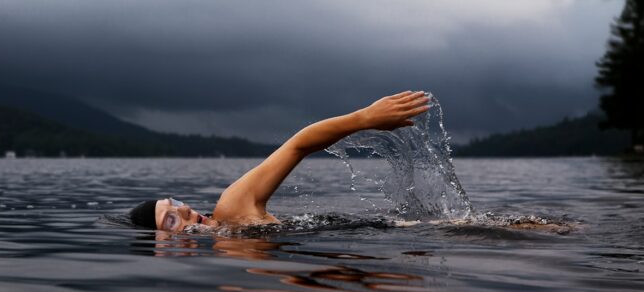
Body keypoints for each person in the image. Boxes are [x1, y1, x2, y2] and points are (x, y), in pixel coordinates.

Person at [128, 91, 432, 231]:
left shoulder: (231, 209)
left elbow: (297, 146)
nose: (184, 209)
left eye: (175, 202)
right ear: (162, 248)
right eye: (170, 219)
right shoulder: (227, 251)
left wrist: (364, 118)